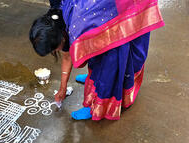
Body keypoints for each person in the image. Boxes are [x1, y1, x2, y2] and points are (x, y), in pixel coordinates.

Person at [29, 0, 164, 120]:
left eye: (54, 50)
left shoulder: (79, 27)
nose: (55, 52)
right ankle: (94, 77)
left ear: (61, 38)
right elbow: (67, 52)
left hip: (125, 8)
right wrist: (62, 88)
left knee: (109, 65)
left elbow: (68, 55)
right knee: (96, 53)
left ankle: (98, 107)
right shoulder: (59, 12)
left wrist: (64, 88)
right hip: (106, 9)